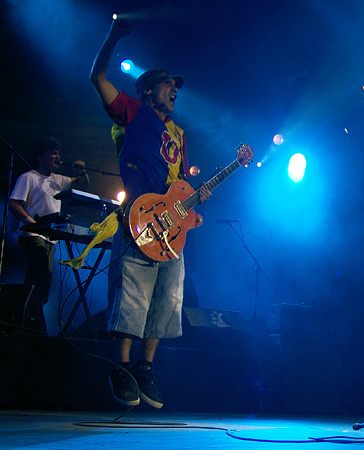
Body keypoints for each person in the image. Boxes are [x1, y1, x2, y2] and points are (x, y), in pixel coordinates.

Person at [89, 19, 211, 409]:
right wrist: (113, 36)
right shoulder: (133, 111)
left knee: (167, 297)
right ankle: (122, 367)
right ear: (147, 89)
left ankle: (145, 367)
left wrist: (194, 206)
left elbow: (180, 186)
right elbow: (97, 76)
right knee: (133, 292)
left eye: (176, 87)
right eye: (167, 84)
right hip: (138, 217)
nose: (174, 90)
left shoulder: (179, 134)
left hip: (170, 228)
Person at [8, 136, 90, 322]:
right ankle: (24, 317)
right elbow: (14, 203)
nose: (57, 156)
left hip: (50, 237)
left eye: (58, 153)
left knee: (46, 279)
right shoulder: (28, 177)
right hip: (32, 234)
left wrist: (82, 171)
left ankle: (32, 317)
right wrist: (32, 222)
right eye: (53, 153)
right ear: (40, 157)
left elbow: (83, 184)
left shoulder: (58, 180)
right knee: (39, 273)